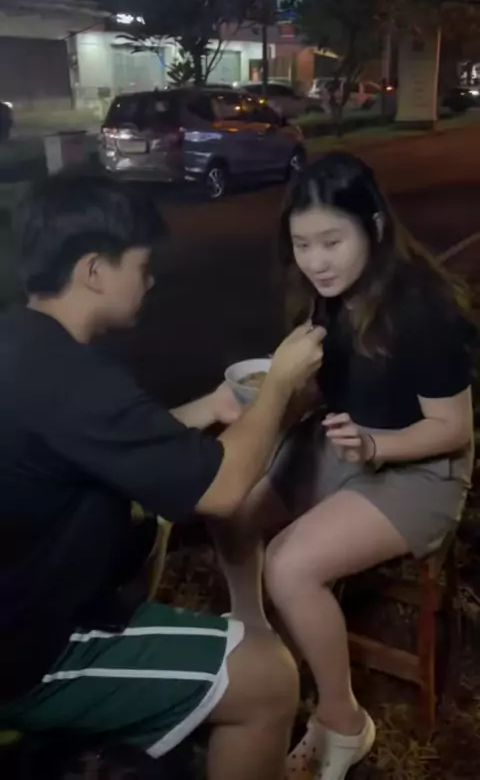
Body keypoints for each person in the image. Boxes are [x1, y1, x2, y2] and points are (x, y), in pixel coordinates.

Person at [0, 174, 325, 780]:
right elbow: (223, 490)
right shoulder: (69, 377)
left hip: (31, 608)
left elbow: (96, 445)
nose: (151, 282)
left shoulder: (25, 344)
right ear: (94, 271)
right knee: (268, 678)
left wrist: (210, 408)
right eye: (142, 267)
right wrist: (280, 384)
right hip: (28, 651)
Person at [215, 153, 476, 780]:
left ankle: (343, 720)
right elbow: (331, 385)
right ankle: (255, 639)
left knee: (290, 566)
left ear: (375, 228)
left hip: (419, 467)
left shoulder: (423, 309)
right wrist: (277, 394)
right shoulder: (326, 296)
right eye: (302, 244)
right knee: (232, 506)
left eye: (332, 241)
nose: (316, 261)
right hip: (343, 440)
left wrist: (375, 447)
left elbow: (453, 429)